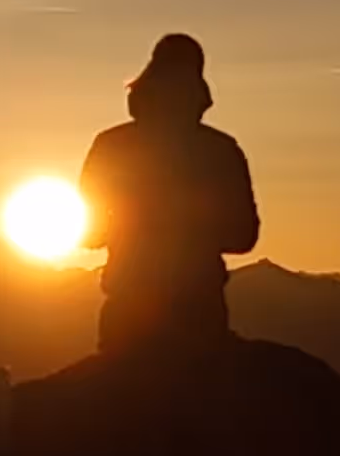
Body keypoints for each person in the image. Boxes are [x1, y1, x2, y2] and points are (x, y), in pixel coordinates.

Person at [79, 31, 260, 356]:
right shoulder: (221, 150)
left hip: (128, 315)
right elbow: (244, 236)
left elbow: (87, 235)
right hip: (199, 316)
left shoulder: (110, 146)